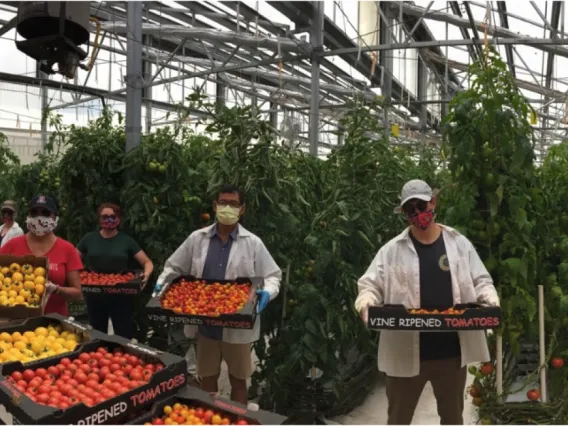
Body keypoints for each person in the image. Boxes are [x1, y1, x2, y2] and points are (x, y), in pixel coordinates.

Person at [355, 179, 500, 425]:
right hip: (405, 353)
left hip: (451, 353)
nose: (418, 214)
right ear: (403, 212)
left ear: (433, 202)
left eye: (421, 205)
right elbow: (369, 285)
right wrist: (367, 305)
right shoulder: (391, 251)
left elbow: (481, 280)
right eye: (410, 209)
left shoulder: (458, 244)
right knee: (399, 418)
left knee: (453, 418)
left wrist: (490, 299)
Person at [154, 184, 281, 405]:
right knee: (207, 378)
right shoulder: (197, 238)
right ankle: (210, 416)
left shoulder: (253, 243)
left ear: (242, 210)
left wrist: (267, 293)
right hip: (205, 323)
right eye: (223, 203)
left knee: (238, 380)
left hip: (237, 323)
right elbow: (173, 267)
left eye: (233, 204)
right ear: (215, 206)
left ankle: (237, 418)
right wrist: (161, 285)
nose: (227, 208)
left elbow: (273, 275)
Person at [77, 202, 153, 339]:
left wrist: (146, 274)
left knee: (123, 332)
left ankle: (123, 355)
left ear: (119, 219)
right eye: (104, 216)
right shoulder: (89, 238)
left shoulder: (126, 241)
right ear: (99, 219)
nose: (109, 220)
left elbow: (147, 262)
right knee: (97, 332)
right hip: (94, 292)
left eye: (113, 216)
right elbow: (74, 259)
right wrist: (77, 274)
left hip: (121, 292)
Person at [0, 195, 83, 315]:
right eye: (34, 212)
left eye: (45, 213)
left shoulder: (67, 249)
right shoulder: (11, 245)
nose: (39, 217)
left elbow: (77, 294)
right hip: (15, 324)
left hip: (53, 325)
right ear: (28, 216)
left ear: (55, 217)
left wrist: (57, 289)